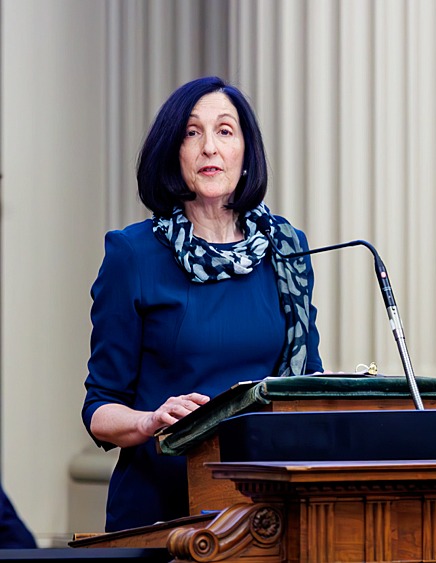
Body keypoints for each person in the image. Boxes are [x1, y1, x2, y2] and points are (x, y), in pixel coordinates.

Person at [82, 76, 324, 532]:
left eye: (225, 131)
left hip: (265, 508)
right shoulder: (134, 254)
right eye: (192, 133)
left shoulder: (286, 249)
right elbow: (100, 409)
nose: (209, 147)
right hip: (164, 511)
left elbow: (306, 380)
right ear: (173, 152)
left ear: (246, 153)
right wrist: (150, 421)